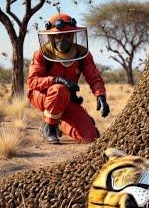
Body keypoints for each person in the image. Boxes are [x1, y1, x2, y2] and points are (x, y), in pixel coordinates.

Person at [27, 12, 110, 144]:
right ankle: (49, 127)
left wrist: (101, 95)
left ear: (73, 35)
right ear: (50, 37)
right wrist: (57, 80)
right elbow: (32, 81)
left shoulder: (82, 54)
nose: (63, 39)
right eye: (58, 36)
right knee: (59, 89)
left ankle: (60, 122)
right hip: (43, 96)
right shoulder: (41, 54)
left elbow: (94, 76)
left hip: (66, 99)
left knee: (90, 137)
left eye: (67, 35)